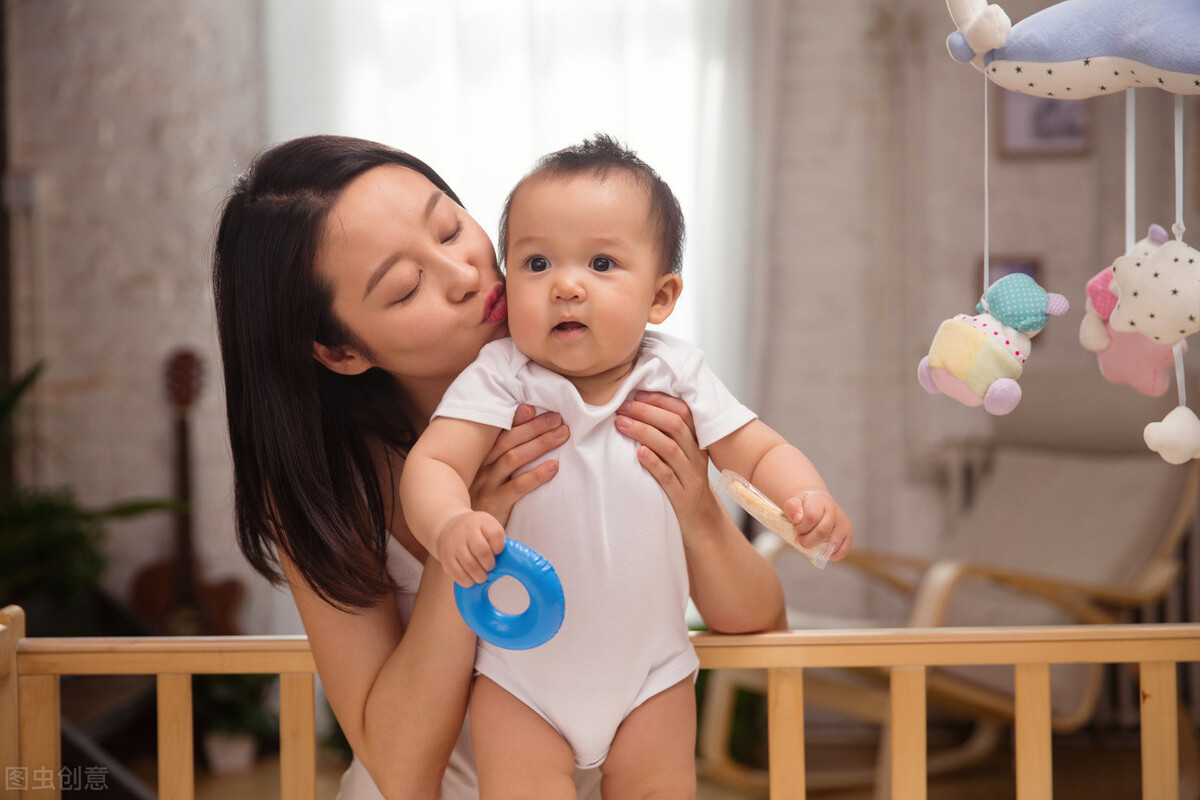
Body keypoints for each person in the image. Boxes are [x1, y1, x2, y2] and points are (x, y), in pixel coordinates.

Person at [211, 133, 789, 799]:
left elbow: (759, 625)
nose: (465, 277)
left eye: (451, 227)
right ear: (340, 352)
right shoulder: (326, 484)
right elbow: (400, 768)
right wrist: (470, 522)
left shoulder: (618, 383)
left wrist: (698, 511)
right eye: (405, 288)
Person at [400, 134, 853, 798]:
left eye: (602, 262)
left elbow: (758, 449)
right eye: (535, 263)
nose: (566, 285)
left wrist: (806, 498)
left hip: (652, 679)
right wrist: (448, 526)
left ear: (661, 297)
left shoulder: (675, 373)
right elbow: (433, 462)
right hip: (522, 679)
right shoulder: (502, 376)